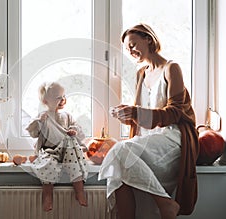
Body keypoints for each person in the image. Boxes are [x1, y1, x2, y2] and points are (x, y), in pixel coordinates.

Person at [98, 24, 199, 219]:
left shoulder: (171, 68)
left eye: (133, 44)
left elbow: (175, 112)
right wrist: (127, 116)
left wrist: (135, 113)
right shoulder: (141, 74)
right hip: (150, 140)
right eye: (128, 48)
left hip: (172, 138)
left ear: (149, 40)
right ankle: (164, 204)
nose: (131, 51)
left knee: (120, 152)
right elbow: (142, 117)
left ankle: (165, 203)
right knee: (118, 170)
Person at [26, 82, 88, 212]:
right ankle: (47, 195)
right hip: (50, 151)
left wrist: (73, 130)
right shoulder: (43, 116)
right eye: (57, 97)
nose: (62, 99)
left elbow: (78, 130)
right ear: (45, 101)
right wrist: (39, 122)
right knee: (47, 165)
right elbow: (33, 133)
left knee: (74, 159)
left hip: (67, 151)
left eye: (63, 96)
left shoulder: (67, 116)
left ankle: (79, 190)